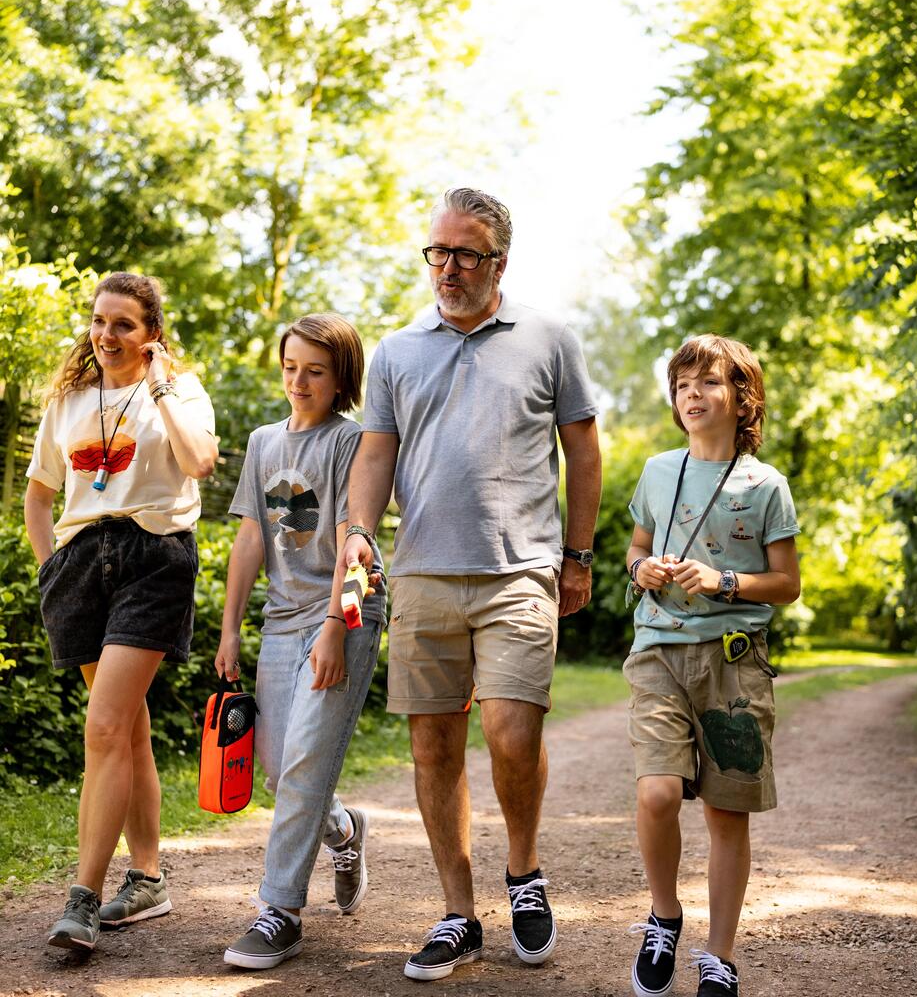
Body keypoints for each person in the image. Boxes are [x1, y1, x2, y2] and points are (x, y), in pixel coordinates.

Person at [341, 187, 602, 981]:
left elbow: (583, 453)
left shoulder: (549, 340)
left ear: (499, 262)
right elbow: (376, 455)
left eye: (465, 254)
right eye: (438, 252)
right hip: (420, 570)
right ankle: (459, 912)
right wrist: (357, 531)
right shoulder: (395, 352)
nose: (447, 269)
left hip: (519, 569)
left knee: (512, 733)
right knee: (432, 747)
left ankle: (523, 873)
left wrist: (579, 556)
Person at [24, 272, 218, 952]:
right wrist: (53, 569)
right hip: (79, 565)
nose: (106, 335)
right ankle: (147, 878)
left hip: (152, 559)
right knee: (126, 730)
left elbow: (199, 461)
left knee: (104, 727)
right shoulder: (70, 400)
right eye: (99, 321)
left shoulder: (180, 393)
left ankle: (82, 897)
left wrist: (161, 386)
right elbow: (40, 496)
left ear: (152, 334)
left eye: (124, 324)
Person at [623, 334, 800, 997]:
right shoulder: (656, 470)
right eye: (682, 386)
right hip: (659, 652)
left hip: (735, 664)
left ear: (741, 397)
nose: (692, 396)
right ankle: (664, 915)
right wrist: (644, 569)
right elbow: (636, 551)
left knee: (727, 813)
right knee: (658, 792)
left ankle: (719, 955)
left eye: (707, 384)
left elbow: (786, 584)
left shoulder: (766, 485)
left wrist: (725, 580)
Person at [214, 314, 386, 971]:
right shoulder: (263, 442)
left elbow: (355, 538)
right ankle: (343, 830)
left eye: (314, 370)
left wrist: (338, 629)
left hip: (347, 608)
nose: (299, 381)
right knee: (279, 764)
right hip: (283, 617)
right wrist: (231, 628)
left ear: (341, 376)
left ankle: (279, 911)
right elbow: (253, 538)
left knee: (307, 762)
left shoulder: (352, 442)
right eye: (290, 367)